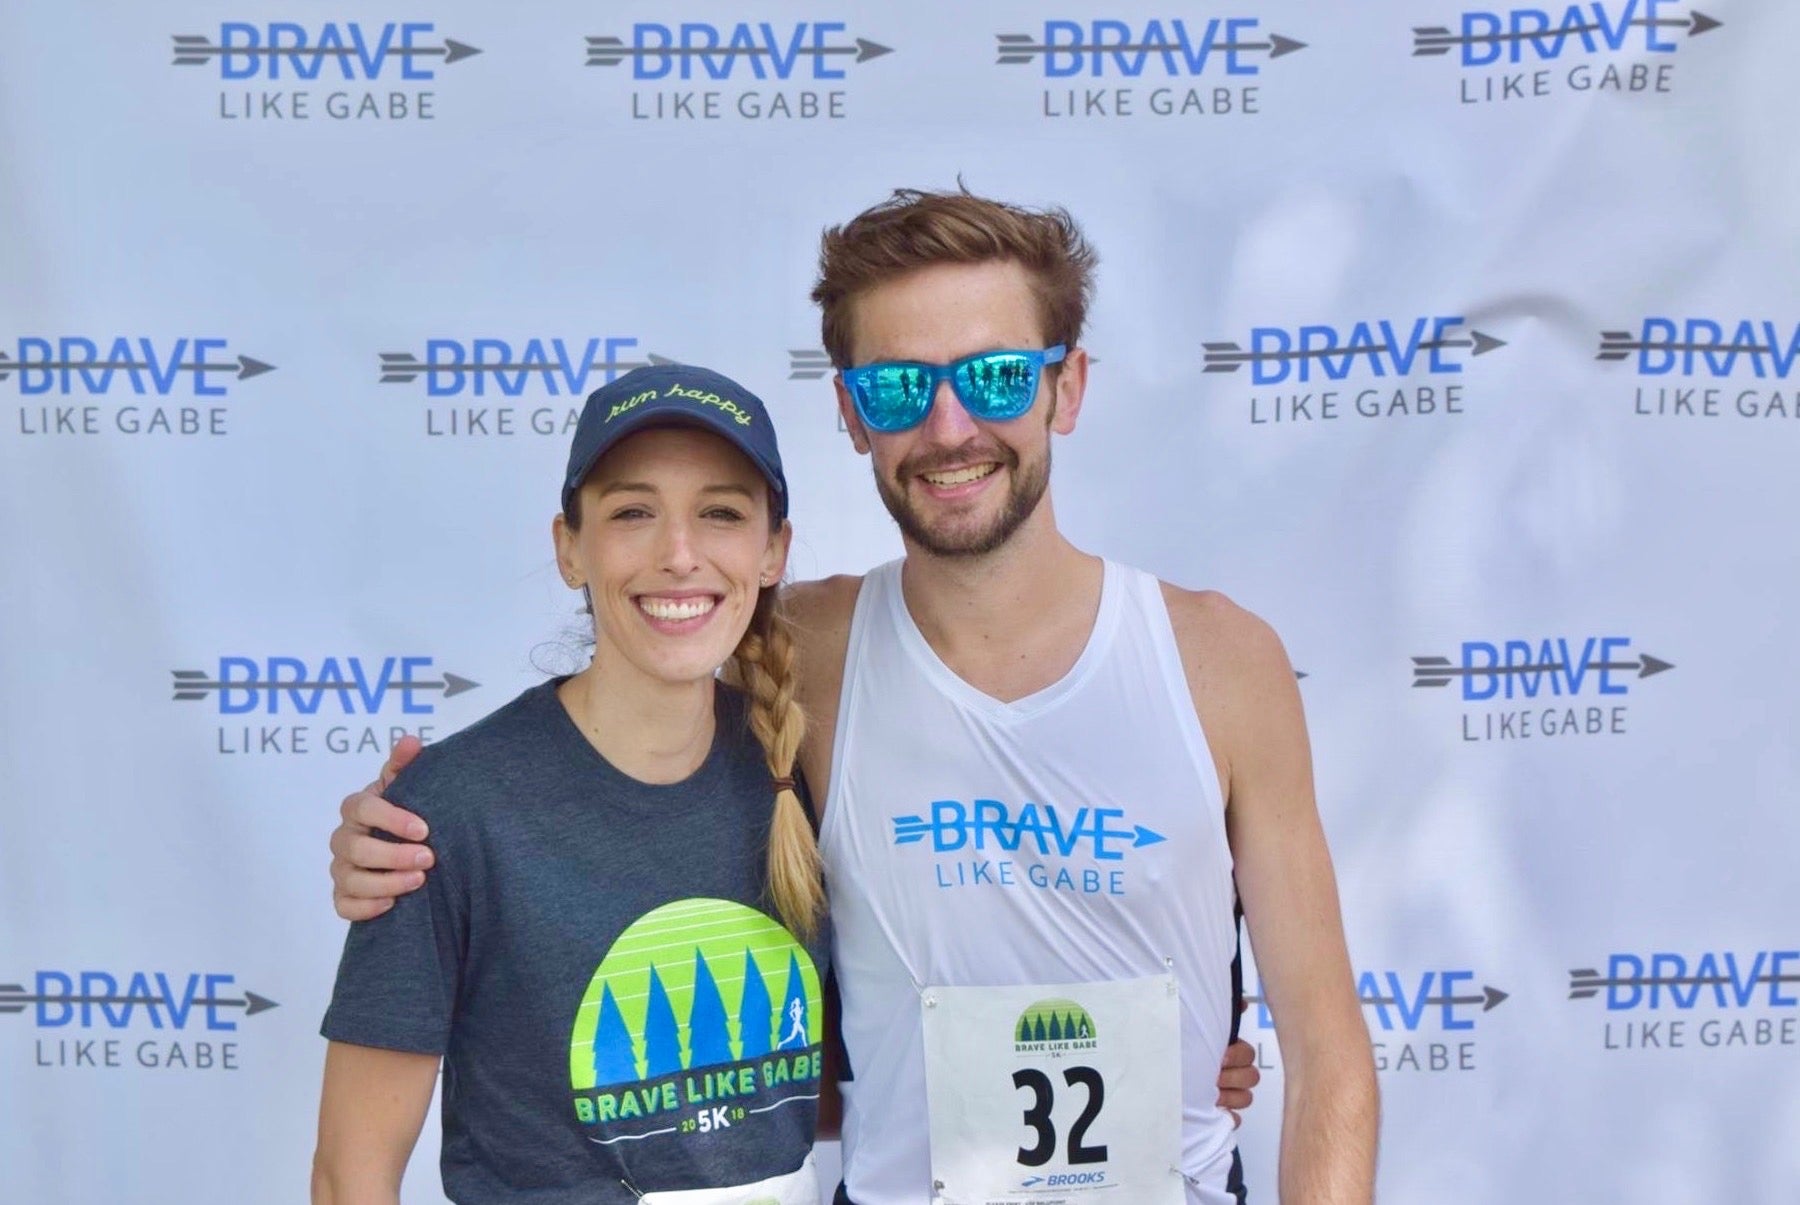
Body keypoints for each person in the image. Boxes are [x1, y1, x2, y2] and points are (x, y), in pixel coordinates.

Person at [330, 189, 1376, 1204]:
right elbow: (602, 758)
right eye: (898, 388)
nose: (950, 426)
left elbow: (1328, 1053)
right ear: (850, 414)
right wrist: (406, 836)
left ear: (1068, 387)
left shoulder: (1220, 662)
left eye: (998, 377)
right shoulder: (803, 655)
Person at [312, 365, 832, 1204]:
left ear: (772, 550)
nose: (679, 554)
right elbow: (351, 1176)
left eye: (722, 513)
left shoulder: (801, 770)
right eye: (632, 512)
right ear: (568, 547)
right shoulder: (447, 812)